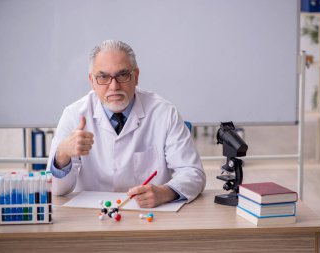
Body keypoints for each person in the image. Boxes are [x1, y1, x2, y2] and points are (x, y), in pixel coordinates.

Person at [46, 40, 206, 208]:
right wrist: (62, 154)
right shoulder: (74, 115)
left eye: (122, 75)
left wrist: (166, 192)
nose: (113, 86)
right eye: (103, 77)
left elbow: (193, 173)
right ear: (92, 81)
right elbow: (57, 189)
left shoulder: (164, 113)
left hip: (151, 217)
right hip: (92, 218)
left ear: (136, 76)